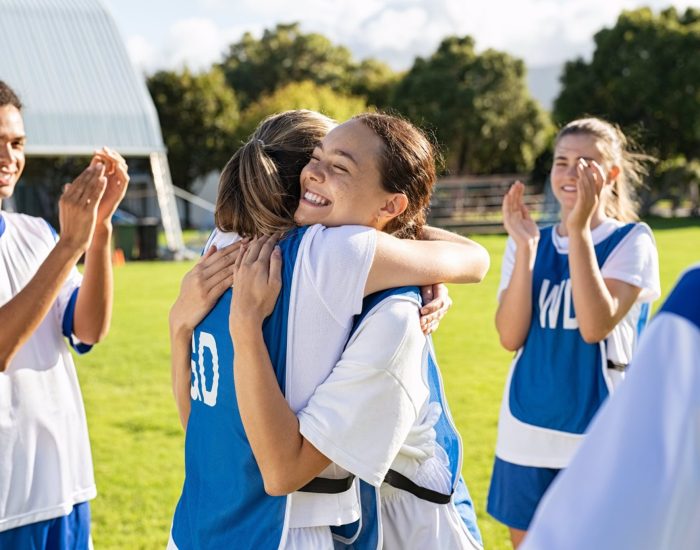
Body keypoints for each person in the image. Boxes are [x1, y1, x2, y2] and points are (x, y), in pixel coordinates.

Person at [167, 110, 489, 550]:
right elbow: (475, 260)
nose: (319, 173)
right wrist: (414, 252)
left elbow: (197, 425)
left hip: (195, 526)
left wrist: (177, 326)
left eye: (339, 165)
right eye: (319, 159)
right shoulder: (336, 253)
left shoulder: (221, 246)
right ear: (300, 172)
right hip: (304, 527)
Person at [486, 116, 661, 547]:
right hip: (525, 426)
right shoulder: (528, 240)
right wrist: (526, 249)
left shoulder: (632, 240)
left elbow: (594, 325)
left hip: (597, 429)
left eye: (586, 162)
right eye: (562, 161)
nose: (570, 172)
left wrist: (580, 231)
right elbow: (510, 337)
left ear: (611, 175)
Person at [0, 81, 129, 548]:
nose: (10, 157)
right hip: (6, 505)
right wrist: (70, 243)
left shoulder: (34, 233)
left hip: (64, 490)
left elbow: (88, 329)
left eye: (16, 143)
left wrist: (97, 232)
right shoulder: (53, 242)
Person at [521, 263, 700, 550]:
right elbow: (508, 335)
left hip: (584, 421)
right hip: (527, 423)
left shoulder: (693, 304)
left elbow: (614, 513)